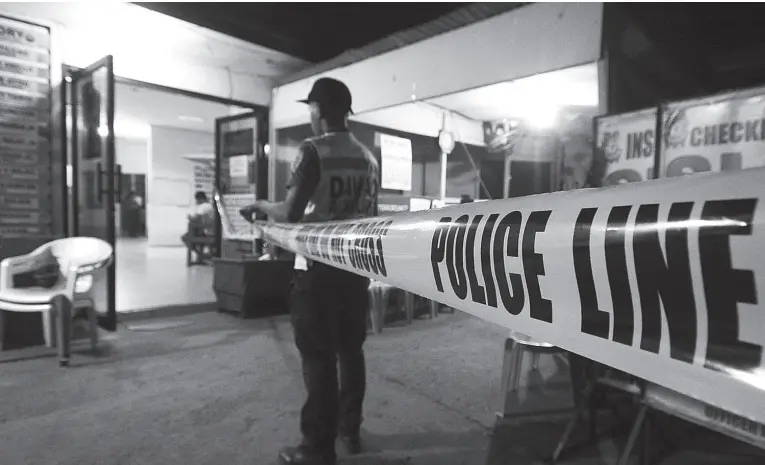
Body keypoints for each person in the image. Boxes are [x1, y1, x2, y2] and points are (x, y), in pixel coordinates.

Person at [240, 77, 379, 465]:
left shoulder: (313, 150)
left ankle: (317, 448)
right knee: (351, 352)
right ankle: (350, 430)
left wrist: (261, 207)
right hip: (356, 268)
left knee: (318, 357)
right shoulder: (368, 158)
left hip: (317, 271)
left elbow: (290, 212)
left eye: (310, 108)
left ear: (317, 110)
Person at [181, 191, 215, 255]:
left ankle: (199, 254)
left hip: (205, 232)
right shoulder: (210, 205)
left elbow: (197, 218)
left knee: (185, 238)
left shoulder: (203, 206)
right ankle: (200, 255)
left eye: (197, 199)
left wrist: (190, 218)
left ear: (200, 198)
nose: (196, 201)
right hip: (210, 231)